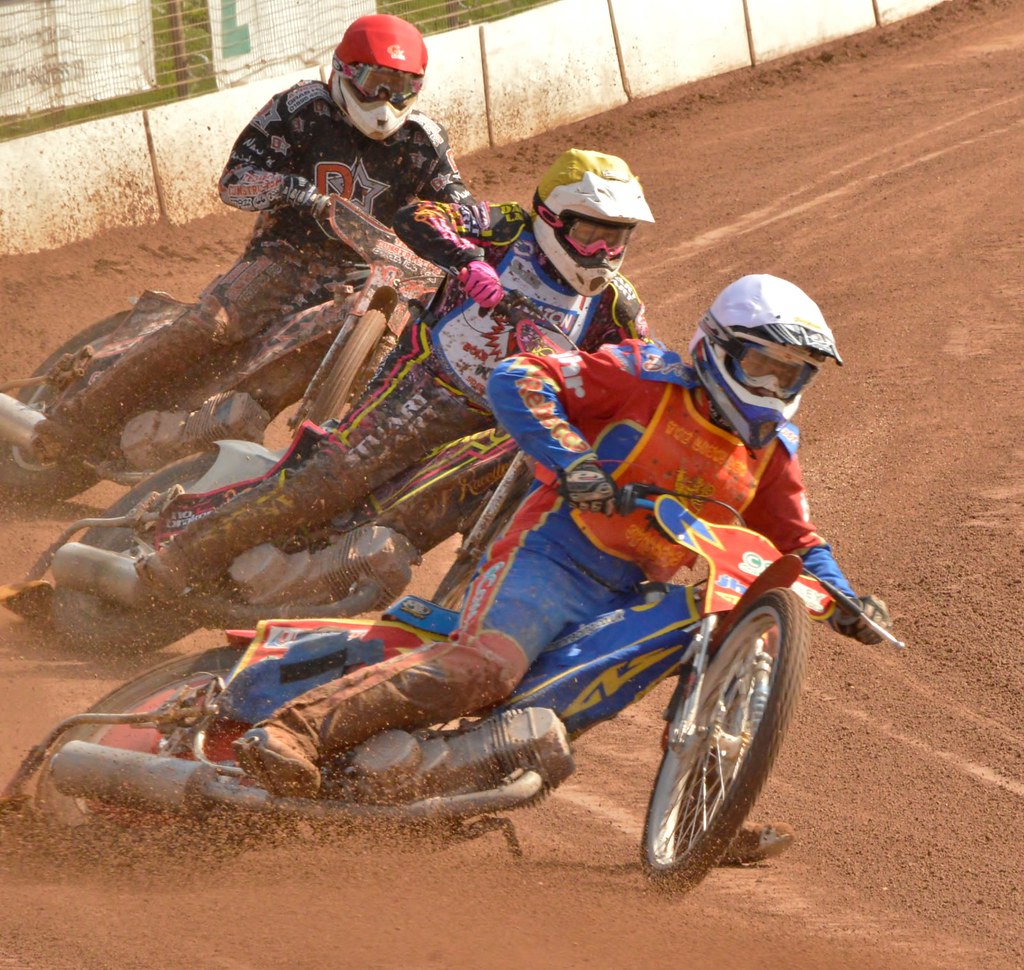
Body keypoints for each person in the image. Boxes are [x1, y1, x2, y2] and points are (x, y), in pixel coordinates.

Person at [229, 273, 892, 864]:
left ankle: (704, 818)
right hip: (549, 556)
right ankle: (295, 730)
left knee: (563, 718)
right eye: (764, 366)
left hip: (635, 588)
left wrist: (843, 596)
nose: (777, 386)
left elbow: (797, 540)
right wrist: (575, 462)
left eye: (794, 375)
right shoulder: (643, 373)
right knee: (486, 668)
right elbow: (521, 378)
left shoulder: (772, 448)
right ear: (717, 346)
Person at [135, 147, 656, 597]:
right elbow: (418, 216)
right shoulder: (504, 228)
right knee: (323, 484)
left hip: (503, 427)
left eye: (617, 239)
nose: (604, 252)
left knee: (429, 518)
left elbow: (639, 372)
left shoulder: (614, 304)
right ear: (554, 219)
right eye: (591, 235)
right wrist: (469, 261)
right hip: (425, 386)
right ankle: (176, 560)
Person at [35, 13, 472, 455]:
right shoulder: (302, 108)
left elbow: (460, 204)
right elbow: (234, 179)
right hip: (285, 256)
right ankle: (71, 422)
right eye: (378, 82)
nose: (386, 100)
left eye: (402, 88)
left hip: (366, 276)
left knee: (399, 351)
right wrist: (291, 189)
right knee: (212, 325)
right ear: (346, 72)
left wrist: (481, 230)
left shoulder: (423, 140)